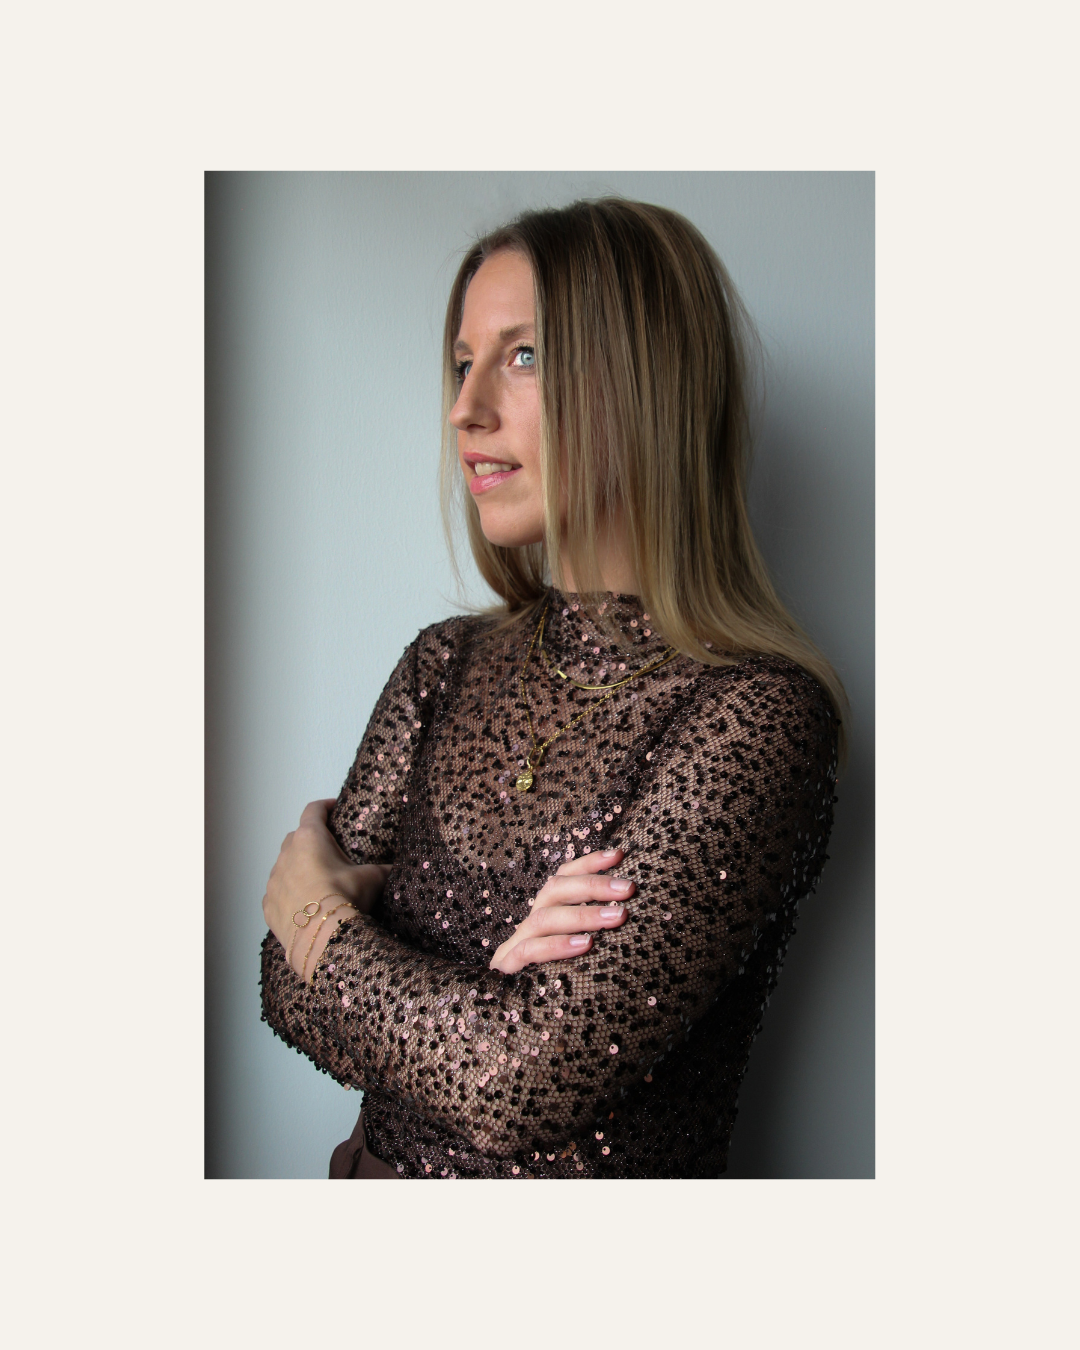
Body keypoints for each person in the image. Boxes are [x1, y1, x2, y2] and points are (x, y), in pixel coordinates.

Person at [259, 197, 845, 1179]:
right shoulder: (442, 667)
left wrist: (325, 921)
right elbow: (281, 988)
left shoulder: (757, 717)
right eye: (462, 363)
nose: (465, 408)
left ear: (644, 379)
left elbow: (515, 1080)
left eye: (523, 356)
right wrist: (484, 1001)